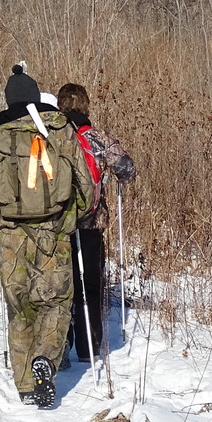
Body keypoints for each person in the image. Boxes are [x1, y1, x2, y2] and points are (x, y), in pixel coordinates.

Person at [0, 75, 92, 408]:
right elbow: (85, 185)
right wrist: (70, 216)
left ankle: (24, 385)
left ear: (9, 100)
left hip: (9, 235)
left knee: (19, 306)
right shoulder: (59, 128)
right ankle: (46, 361)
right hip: (53, 232)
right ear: (37, 96)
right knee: (56, 302)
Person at [56, 82, 136, 365]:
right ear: (86, 105)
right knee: (90, 283)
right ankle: (89, 345)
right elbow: (127, 169)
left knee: (61, 284)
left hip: (58, 223)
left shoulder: (52, 136)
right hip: (91, 222)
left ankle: (60, 346)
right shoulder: (96, 138)